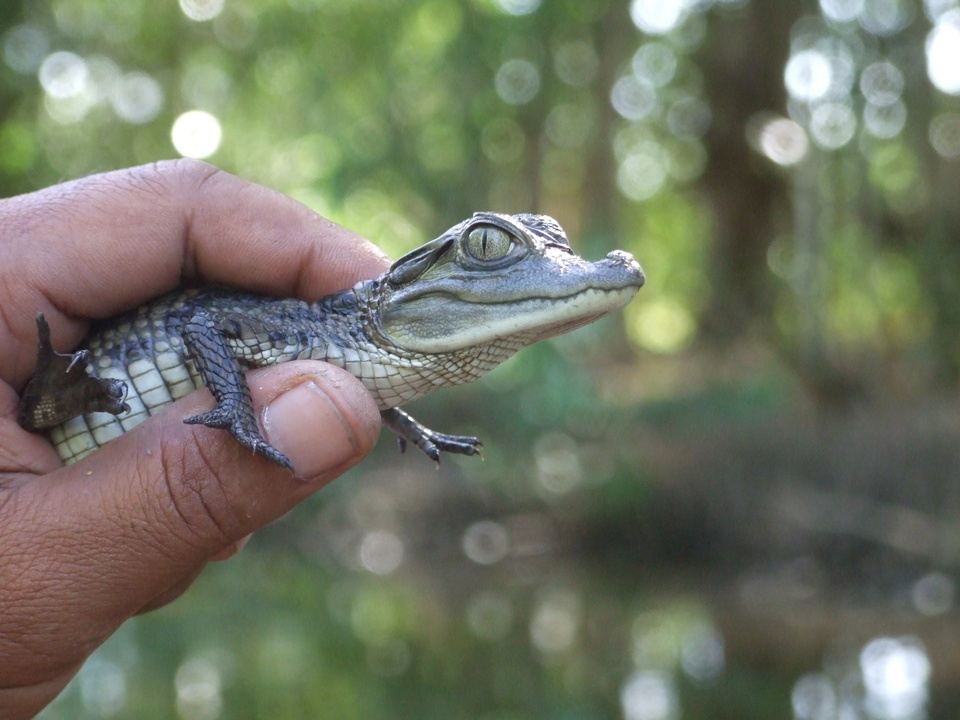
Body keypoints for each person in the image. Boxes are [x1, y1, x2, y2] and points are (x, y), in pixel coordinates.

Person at [0, 160, 388, 719]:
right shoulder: (299, 324)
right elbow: (205, 326)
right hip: (77, 402)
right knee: (41, 405)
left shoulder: (329, 336)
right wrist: (235, 408)